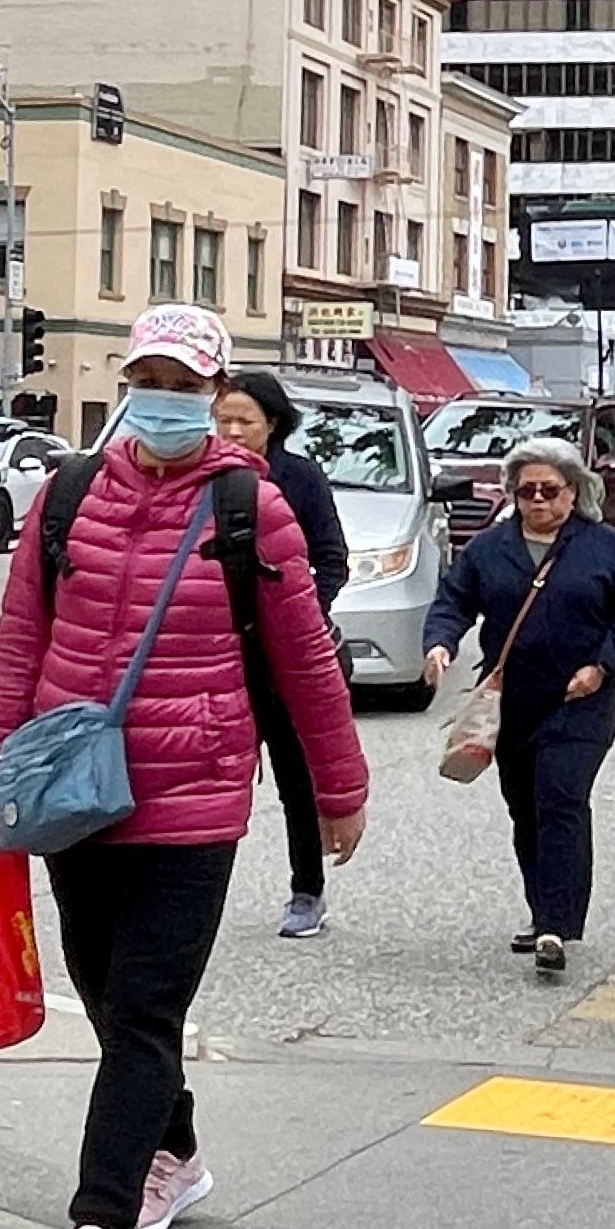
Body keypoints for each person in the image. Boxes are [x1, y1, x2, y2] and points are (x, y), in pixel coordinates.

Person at [0, 308, 369, 1229]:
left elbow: (306, 658)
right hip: (70, 797)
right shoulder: (66, 497)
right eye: (147, 377)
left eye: (182, 382)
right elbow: (18, 656)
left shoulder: (248, 508)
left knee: (140, 1007)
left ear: (214, 391)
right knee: (107, 995)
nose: (162, 396)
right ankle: (173, 1153)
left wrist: (338, 785)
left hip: (193, 800)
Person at [421, 435, 615, 980]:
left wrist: (602, 665)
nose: (539, 501)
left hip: (581, 700)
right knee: (525, 807)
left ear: (574, 493)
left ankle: (556, 924)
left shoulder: (602, 545)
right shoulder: (489, 548)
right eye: (527, 492)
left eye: (551, 490)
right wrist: (441, 642)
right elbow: (454, 600)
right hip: (514, 702)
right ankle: (541, 910)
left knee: (561, 797)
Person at [212, 372, 350, 940]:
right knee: (209, 779)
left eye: (245, 421)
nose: (233, 432)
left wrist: (296, 618)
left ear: (273, 424)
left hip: (280, 660)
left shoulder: (299, 478)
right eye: (223, 420)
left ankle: (306, 890)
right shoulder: (203, 481)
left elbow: (331, 559)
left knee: (296, 778)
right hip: (215, 654)